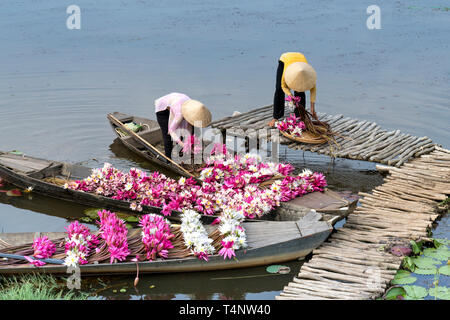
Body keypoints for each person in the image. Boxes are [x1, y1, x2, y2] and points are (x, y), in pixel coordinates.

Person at [154, 92, 212, 159]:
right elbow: (171, 131)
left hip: (178, 102)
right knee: (167, 135)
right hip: (163, 109)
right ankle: (168, 160)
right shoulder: (179, 114)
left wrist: (189, 143)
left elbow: (189, 129)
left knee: (190, 131)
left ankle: (181, 153)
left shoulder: (194, 109)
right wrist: (182, 144)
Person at [268, 52, 317, 127]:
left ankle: (300, 116)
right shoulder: (286, 72)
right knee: (279, 89)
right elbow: (283, 86)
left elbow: (313, 92)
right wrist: (290, 95)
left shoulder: (309, 76)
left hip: (301, 61)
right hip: (285, 60)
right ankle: (276, 117)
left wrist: (312, 109)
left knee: (300, 90)